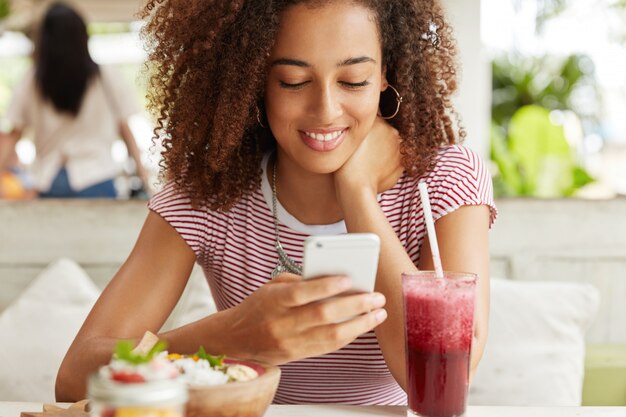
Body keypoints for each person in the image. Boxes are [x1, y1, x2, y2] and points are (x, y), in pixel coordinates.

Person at [57, 0, 497, 404]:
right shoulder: (210, 193)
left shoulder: (443, 180)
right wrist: (229, 336)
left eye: (353, 80)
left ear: (385, 72)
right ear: (254, 80)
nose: (325, 109)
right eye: (293, 81)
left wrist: (357, 194)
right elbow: (75, 376)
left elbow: (443, 382)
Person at [0, 3, 151, 199]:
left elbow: (14, 133)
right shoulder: (106, 76)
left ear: (45, 40)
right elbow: (125, 129)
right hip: (98, 178)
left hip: (49, 181)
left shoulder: (33, 80)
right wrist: (144, 180)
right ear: (82, 36)